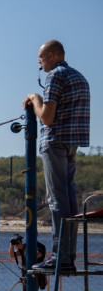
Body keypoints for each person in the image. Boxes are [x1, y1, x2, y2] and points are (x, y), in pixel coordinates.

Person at [22, 40, 91, 273]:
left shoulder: (55, 76)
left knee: (57, 200)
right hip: (73, 143)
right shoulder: (79, 76)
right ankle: (68, 256)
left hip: (54, 142)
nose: (39, 62)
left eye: (41, 58)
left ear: (51, 55)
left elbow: (47, 118)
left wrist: (35, 99)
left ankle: (59, 256)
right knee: (70, 199)